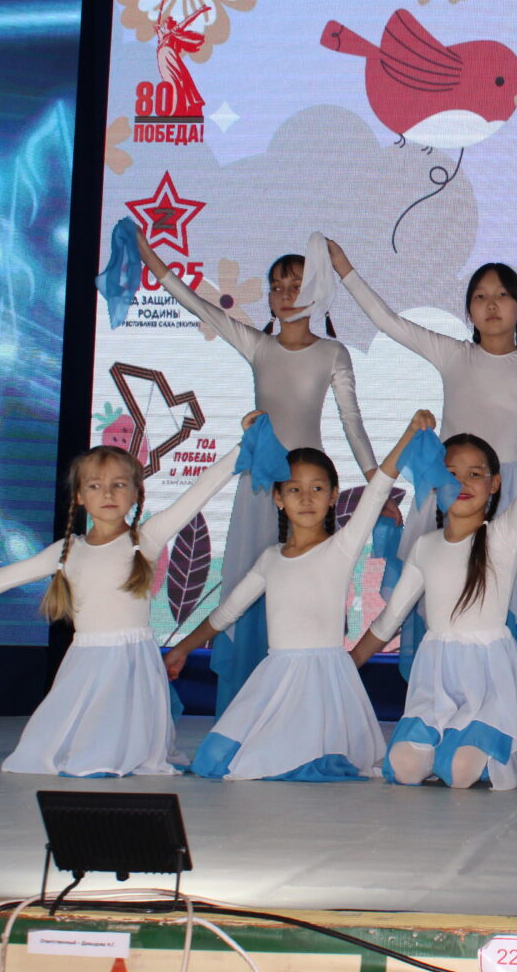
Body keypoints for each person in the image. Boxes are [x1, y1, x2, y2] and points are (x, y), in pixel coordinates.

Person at [0, 416, 249, 776]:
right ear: (81, 497)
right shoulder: (67, 551)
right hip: (85, 656)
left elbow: (198, 492)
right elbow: (4, 576)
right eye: (96, 486)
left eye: (119, 485)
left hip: (133, 657)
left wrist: (242, 445)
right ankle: (92, 758)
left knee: (122, 725)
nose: (108, 494)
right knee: (67, 732)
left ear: (135, 493)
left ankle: (112, 758)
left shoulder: (146, 539)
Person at [136, 227, 382, 715]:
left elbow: (351, 421)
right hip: (259, 490)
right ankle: (247, 708)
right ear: (268, 298)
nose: (286, 295)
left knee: (309, 587)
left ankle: (306, 704)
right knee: (249, 586)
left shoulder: (332, 353)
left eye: (297, 285)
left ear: (317, 290)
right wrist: (147, 254)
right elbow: (194, 302)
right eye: (277, 287)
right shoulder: (258, 346)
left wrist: (378, 483)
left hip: (309, 491)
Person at [330, 240, 517, 683]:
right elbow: (388, 321)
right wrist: (344, 269)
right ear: (469, 311)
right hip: (448, 487)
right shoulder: (454, 354)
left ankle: (501, 695)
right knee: (432, 587)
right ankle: (434, 688)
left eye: (502, 295)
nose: (491, 304)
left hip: (503, 491)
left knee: (499, 597)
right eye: (480, 296)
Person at [164, 412, 437, 780]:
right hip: (276, 677)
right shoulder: (270, 559)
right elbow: (226, 612)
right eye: (294, 489)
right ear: (277, 497)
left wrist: (409, 432)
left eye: (317, 489)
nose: (306, 498)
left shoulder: (341, 548)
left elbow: (377, 491)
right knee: (214, 761)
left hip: (325, 680)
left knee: (303, 762)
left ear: (334, 496)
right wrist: (182, 648)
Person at [348, 404, 517, 790]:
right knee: (404, 767)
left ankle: (473, 747)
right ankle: (440, 742)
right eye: (451, 473)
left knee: (461, 771)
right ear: (435, 481)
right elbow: (388, 621)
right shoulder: (425, 547)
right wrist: (346, 666)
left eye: (475, 474)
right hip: (435, 682)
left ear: (494, 484)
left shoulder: (503, 536)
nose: (463, 482)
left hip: (489, 684)